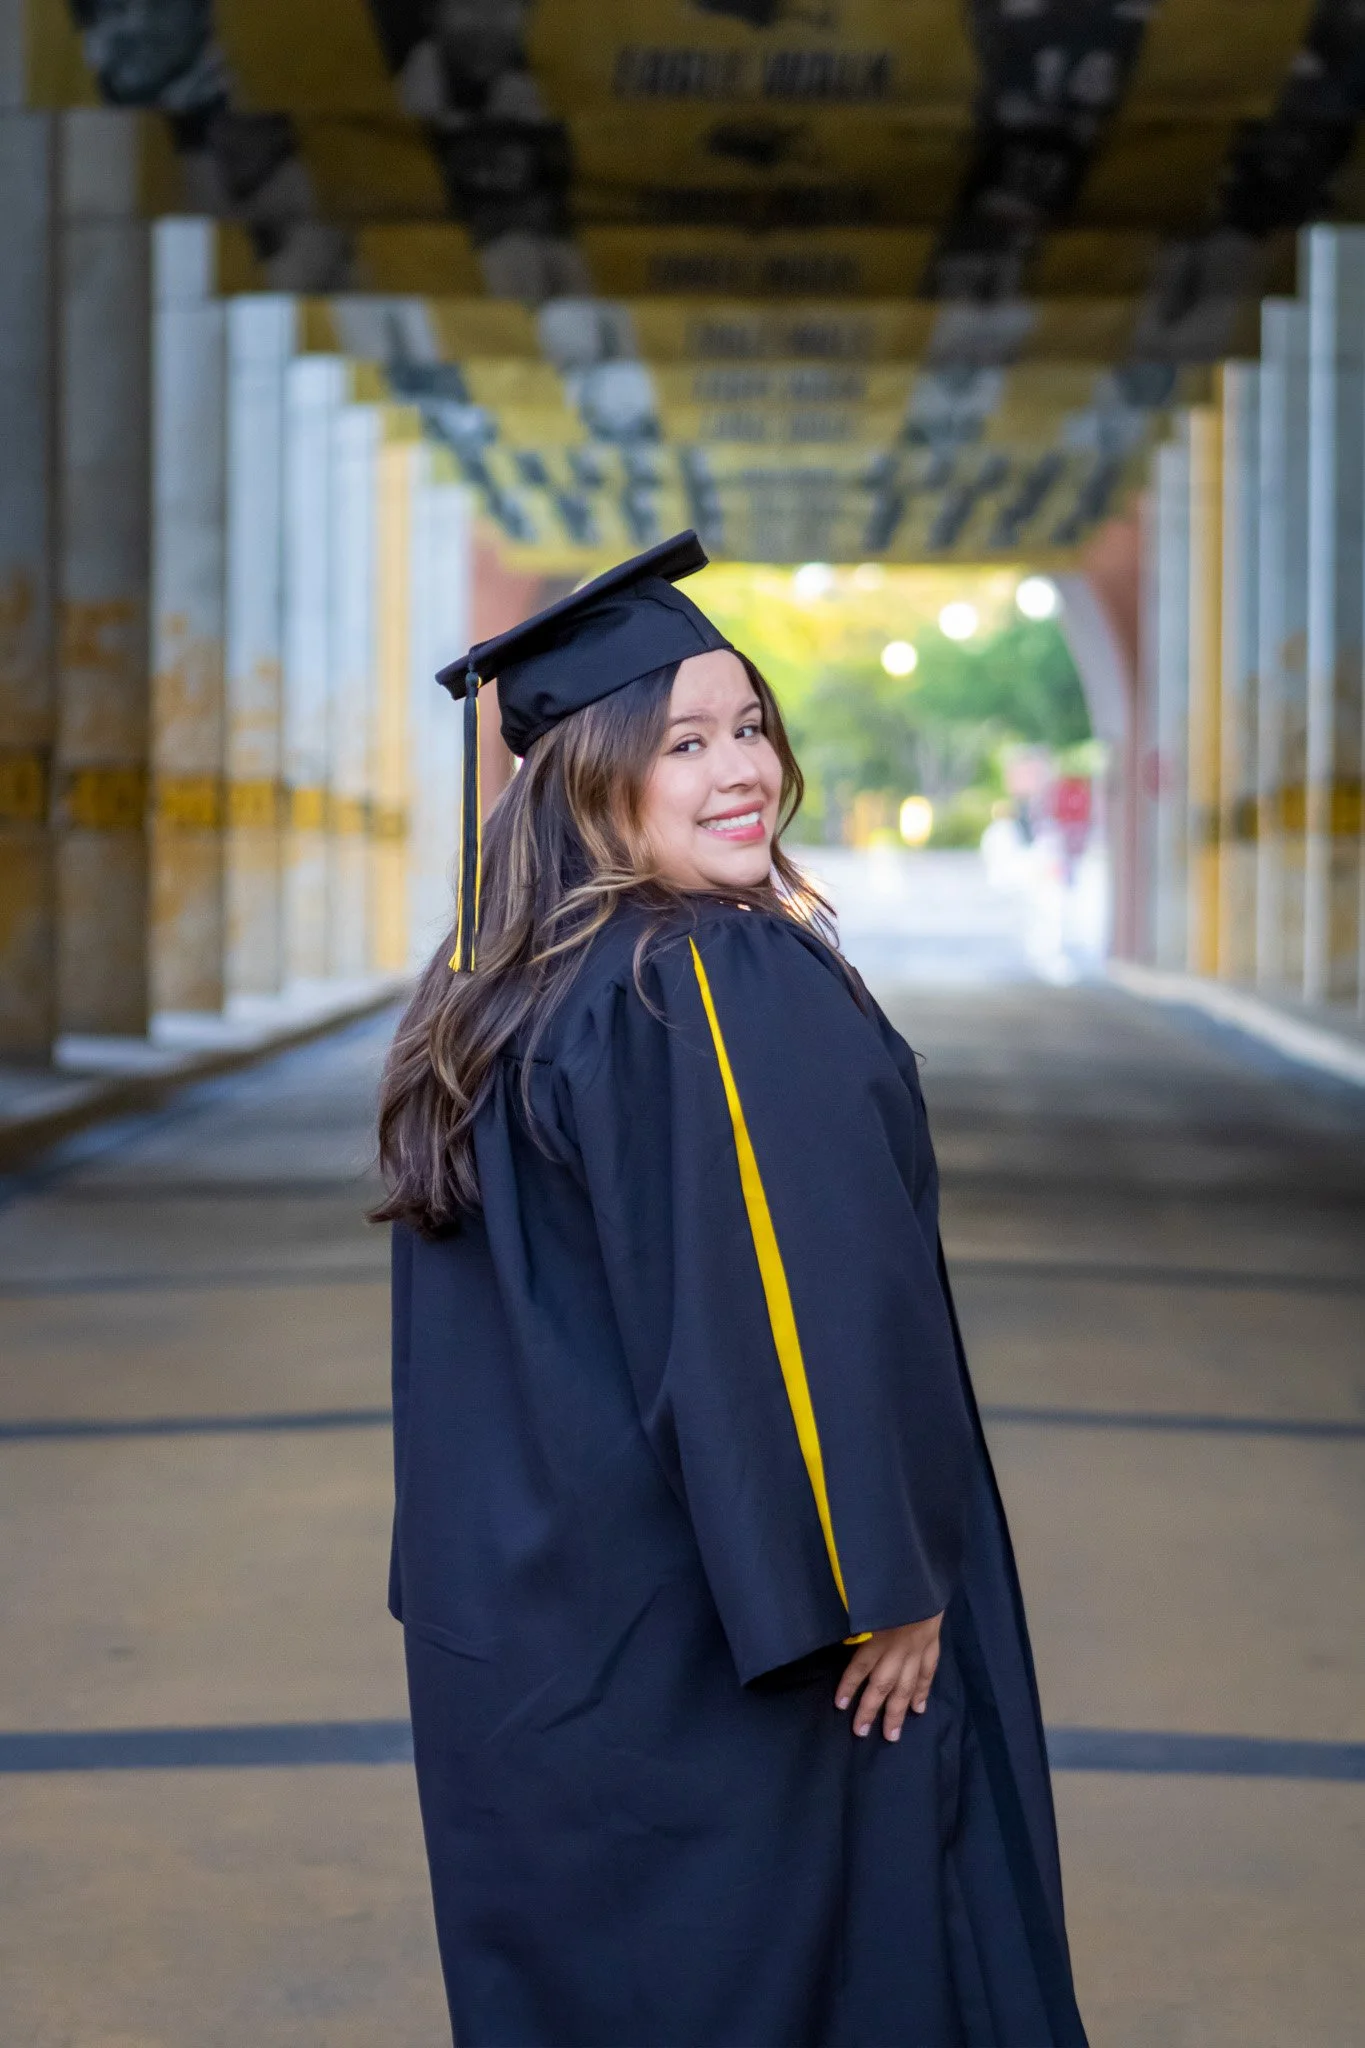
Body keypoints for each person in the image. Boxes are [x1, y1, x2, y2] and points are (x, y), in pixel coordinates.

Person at [374, 533, 1088, 2048]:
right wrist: (874, 1582)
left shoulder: (494, 990)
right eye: (682, 742)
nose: (739, 768)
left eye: (748, 724)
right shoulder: (700, 979)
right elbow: (782, 1310)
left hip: (541, 1653)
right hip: (737, 1658)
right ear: (591, 779)